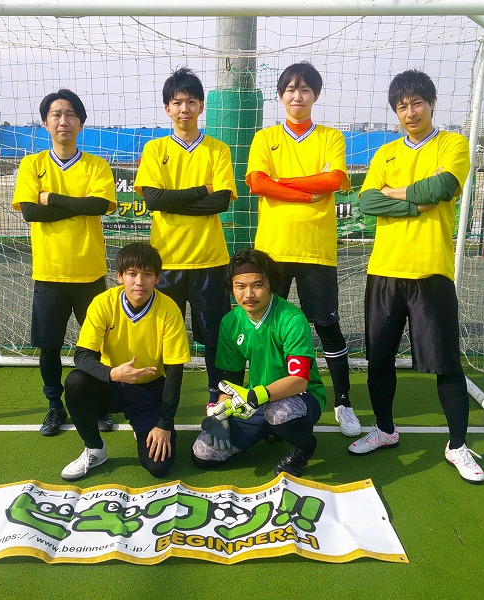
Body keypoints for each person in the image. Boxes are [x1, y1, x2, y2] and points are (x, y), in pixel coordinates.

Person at [353, 69, 484, 483]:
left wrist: (393, 192)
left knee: (446, 364)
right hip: (383, 272)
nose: (410, 112)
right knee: (379, 360)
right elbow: (366, 202)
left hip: (431, 272)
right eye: (402, 106)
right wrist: (412, 202)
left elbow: (441, 188)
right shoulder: (385, 153)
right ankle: (384, 430)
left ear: (431, 104)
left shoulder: (452, 144)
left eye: (416, 103)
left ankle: (458, 445)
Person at [245, 61, 360, 437]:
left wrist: (282, 182)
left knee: (326, 325)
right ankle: (263, 398)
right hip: (273, 250)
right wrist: (307, 191)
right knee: (265, 328)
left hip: (316, 250)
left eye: (305, 89)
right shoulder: (265, 138)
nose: (298, 96)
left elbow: (335, 179)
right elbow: (257, 183)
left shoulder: (331, 137)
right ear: (281, 96)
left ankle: (343, 402)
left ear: (316, 95)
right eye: (291, 89)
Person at [12, 89, 116, 437]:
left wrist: (52, 199)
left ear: (81, 123)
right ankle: (54, 406)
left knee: (98, 345)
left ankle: (100, 403)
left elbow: (98, 206)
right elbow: (30, 212)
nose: (63, 120)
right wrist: (77, 204)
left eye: (70, 114)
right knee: (50, 347)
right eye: (56, 114)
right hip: (50, 273)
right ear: (45, 122)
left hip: (90, 272)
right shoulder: (32, 164)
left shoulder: (97, 165)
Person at [134, 67, 238, 406]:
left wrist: (174, 201)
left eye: (191, 102)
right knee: (163, 337)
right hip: (165, 262)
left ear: (202, 106)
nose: (184, 109)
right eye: (177, 102)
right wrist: (201, 191)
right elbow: (153, 200)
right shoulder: (154, 149)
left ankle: (217, 398)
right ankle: (160, 399)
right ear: (167, 108)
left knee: (214, 338)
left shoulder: (218, 150)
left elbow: (220, 202)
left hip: (210, 259)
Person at [61, 242, 190, 480]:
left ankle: (144, 426)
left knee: (159, 467)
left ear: (157, 278)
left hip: (148, 391)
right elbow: (82, 356)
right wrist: (112, 374)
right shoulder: (103, 303)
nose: (140, 281)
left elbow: (174, 370)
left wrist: (164, 423)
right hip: (111, 386)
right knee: (76, 382)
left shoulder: (169, 309)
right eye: (132, 274)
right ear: (120, 276)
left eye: (147, 274)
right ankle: (95, 449)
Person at [191, 248, 324, 478]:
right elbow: (231, 379)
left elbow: (299, 380)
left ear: (271, 284)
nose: (249, 294)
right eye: (240, 286)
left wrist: (257, 395)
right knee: (203, 454)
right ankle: (269, 430)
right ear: (231, 288)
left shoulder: (291, 318)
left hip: (300, 396)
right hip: (256, 400)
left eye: (257, 285)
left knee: (279, 414)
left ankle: (305, 447)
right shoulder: (230, 322)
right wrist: (220, 414)